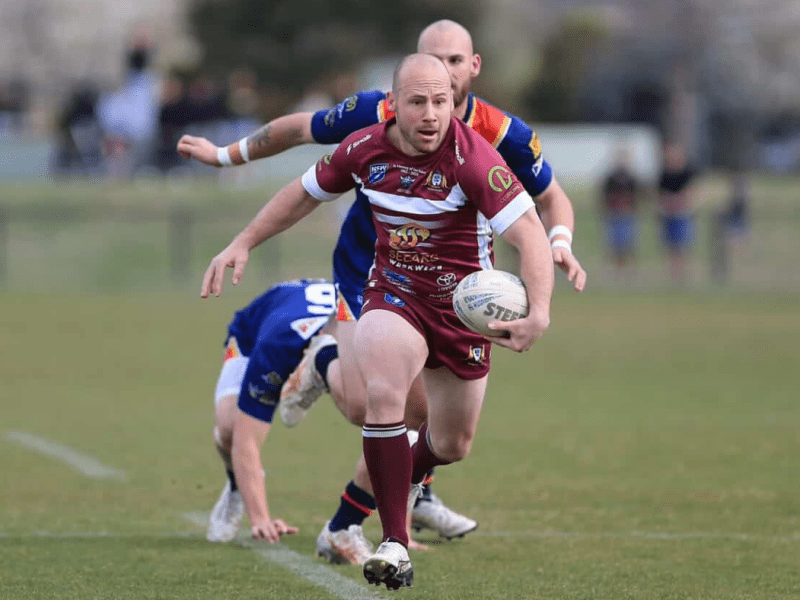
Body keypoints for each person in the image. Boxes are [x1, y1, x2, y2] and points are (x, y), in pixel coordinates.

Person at [178, 19, 584, 561]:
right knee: (381, 403)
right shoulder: (371, 121)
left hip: (458, 294)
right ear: (399, 91)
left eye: (453, 65)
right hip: (375, 275)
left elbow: (545, 206)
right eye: (426, 75)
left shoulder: (494, 138)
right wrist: (227, 159)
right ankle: (390, 532)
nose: (440, 86)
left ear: (472, 68)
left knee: (444, 436)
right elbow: (300, 138)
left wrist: (558, 248)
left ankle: (377, 484)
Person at [207, 277, 441, 563]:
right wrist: (261, 519)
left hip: (328, 324)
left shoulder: (367, 335)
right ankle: (236, 486)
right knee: (230, 430)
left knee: (383, 415)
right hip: (252, 336)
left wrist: (402, 533)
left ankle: (321, 365)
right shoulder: (277, 346)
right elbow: (247, 443)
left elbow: (400, 432)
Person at [657, 143, 698, 282]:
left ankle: (684, 273)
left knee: (684, 244)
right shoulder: (664, 174)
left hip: (683, 214)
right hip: (668, 214)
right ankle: (673, 273)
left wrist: (680, 200)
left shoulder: (687, 173)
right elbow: (659, 194)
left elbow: (692, 191)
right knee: (670, 245)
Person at [600, 147, 641, 274]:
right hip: (614, 214)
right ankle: (618, 270)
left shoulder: (632, 178)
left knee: (629, 244)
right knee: (615, 245)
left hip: (628, 214)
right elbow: (604, 196)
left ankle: (631, 269)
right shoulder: (611, 178)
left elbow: (638, 196)